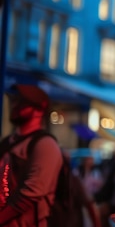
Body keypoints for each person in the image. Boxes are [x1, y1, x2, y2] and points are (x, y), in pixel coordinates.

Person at [0, 84, 63, 226]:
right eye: (14, 100)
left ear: (39, 109)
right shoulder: (8, 141)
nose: (15, 105)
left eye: (22, 102)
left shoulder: (45, 145)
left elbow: (31, 193)